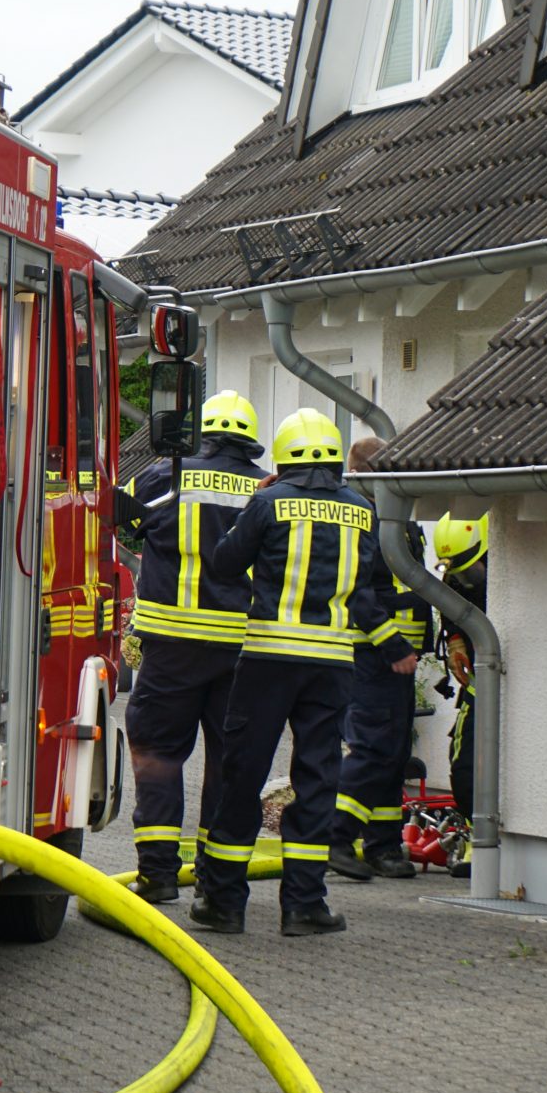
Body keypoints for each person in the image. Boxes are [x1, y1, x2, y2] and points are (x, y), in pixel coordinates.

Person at [190, 409, 417, 937]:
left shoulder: (268, 502)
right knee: (318, 781)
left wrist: (255, 511)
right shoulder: (361, 510)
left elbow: (224, 563)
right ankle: (304, 906)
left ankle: (223, 903)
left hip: (268, 663)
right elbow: (364, 591)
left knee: (243, 775)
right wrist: (393, 645)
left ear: (285, 458)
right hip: (331, 667)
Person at [112, 390, 270, 903]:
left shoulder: (167, 475)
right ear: (250, 441)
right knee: (229, 762)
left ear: (203, 434)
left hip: (171, 647)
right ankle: (214, 880)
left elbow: (118, 516)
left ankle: (158, 876)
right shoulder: (266, 488)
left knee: (158, 754)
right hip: (242, 650)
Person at [327, 435, 431, 882]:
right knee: (371, 748)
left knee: (393, 752)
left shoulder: (395, 518)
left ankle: (383, 845)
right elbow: (357, 592)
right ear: (365, 473)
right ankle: (334, 836)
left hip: (395, 656)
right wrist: (393, 645)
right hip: (373, 654)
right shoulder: (362, 519)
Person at [433, 514, 490, 871]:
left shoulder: (504, 568)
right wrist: (454, 639)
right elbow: (446, 597)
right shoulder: (456, 575)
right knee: (465, 764)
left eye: (471, 570)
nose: (465, 579)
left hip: (516, 685)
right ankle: (472, 835)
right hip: (477, 686)